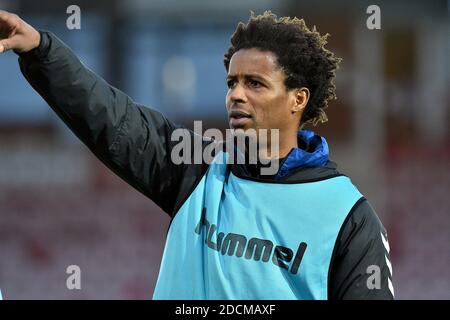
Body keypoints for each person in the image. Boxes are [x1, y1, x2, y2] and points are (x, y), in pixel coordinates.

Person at [0, 10, 394, 299]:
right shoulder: (198, 169)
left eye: (255, 83)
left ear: (298, 99)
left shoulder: (347, 215)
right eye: (232, 82)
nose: (236, 95)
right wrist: (40, 50)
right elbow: (111, 117)